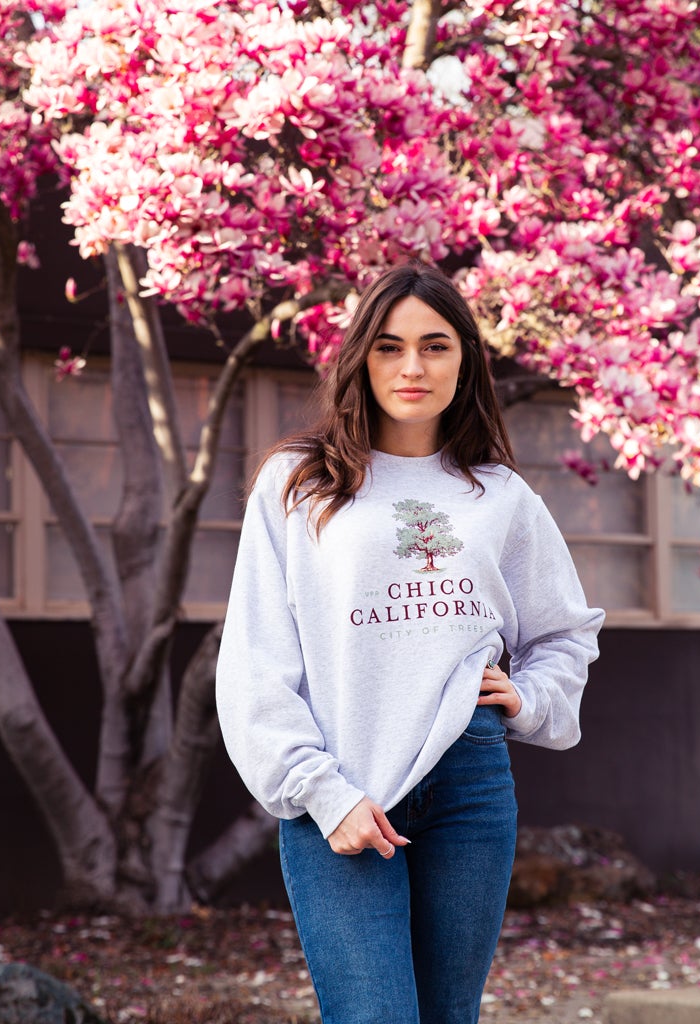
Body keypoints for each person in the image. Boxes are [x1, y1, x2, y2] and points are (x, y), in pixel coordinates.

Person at [215, 261, 605, 1024]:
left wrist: (528, 697)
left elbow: (563, 632)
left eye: (435, 346)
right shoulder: (300, 483)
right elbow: (256, 658)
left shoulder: (499, 495)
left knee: (447, 1016)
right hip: (345, 784)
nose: (413, 367)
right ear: (361, 356)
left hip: (470, 784)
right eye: (389, 347)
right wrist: (323, 792)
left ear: (465, 358)